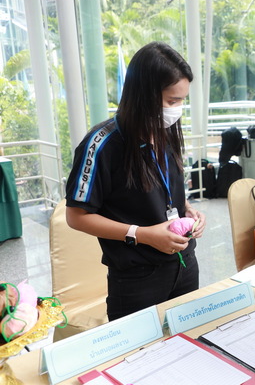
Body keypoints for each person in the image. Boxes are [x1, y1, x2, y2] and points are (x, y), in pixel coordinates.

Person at [65, 42, 206, 321]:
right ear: (144, 95)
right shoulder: (102, 144)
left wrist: (188, 210)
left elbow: (163, 189)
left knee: (188, 343)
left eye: (182, 101)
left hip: (184, 264)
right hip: (138, 278)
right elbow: (76, 216)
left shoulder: (165, 132)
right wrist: (142, 234)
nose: (177, 110)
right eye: (172, 101)